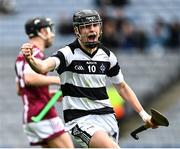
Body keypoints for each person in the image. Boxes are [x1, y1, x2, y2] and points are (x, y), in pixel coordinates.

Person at [20, 10, 157, 148]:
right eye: (86, 26)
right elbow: (43, 67)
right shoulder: (67, 54)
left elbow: (122, 87)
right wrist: (31, 60)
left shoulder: (108, 56)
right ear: (77, 30)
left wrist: (144, 115)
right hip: (80, 121)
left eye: (95, 25)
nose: (92, 29)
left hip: (108, 118)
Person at [15, 17, 74, 148]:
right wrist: (60, 80)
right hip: (43, 114)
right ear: (42, 31)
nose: (52, 34)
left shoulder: (22, 55)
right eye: (50, 30)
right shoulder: (34, 52)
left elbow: (20, 89)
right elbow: (29, 79)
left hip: (31, 115)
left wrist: (50, 94)